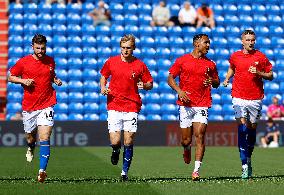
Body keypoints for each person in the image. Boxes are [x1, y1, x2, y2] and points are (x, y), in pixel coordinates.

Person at [8, 34, 62, 183]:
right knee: (31, 137)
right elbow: (10, 76)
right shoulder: (24, 62)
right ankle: (31, 147)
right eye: (37, 48)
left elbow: (51, 75)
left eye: (43, 48)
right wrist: (23, 80)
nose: (40, 51)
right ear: (32, 47)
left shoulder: (50, 61)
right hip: (30, 107)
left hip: (47, 103)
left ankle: (42, 171)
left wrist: (55, 79)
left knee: (44, 137)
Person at [100, 34, 153, 181]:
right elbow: (104, 76)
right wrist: (103, 87)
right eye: (123, 48)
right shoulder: (111, 62)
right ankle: (115, 150)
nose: (125, 51)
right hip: (114, 105)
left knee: (128, 141)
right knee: (116, 141)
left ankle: (124, 172)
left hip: (132, 105)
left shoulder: (140, 65)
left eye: (128, 48)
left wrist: (145, 85)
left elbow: (150, 82)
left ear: (134, 48)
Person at [167, 34, 220, 181]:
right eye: (206, 42)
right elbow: (170, 78)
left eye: (209, 43)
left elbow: (217, 82)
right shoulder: (182, 60)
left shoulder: (210, 64)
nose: (208, 45)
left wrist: (212, 80)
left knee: (200, 135)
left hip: (202, 103)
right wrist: (179, 91)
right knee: (186, 140)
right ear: (197, 44)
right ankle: (186, 149)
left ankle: (196, 170)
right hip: (185, 105)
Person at [223, 30, 273, 179]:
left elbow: (271, 75)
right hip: (238, 97)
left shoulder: (261, 57)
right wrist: (227, 79)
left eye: (253, 40)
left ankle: (248, 159)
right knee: (242, 128)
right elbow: (232, 67)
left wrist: (259, 73)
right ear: (242, 41)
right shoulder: (235, 56)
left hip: (256, 98)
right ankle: (244, 165)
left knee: (251, 132)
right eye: (248, 40)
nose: (251, 42)